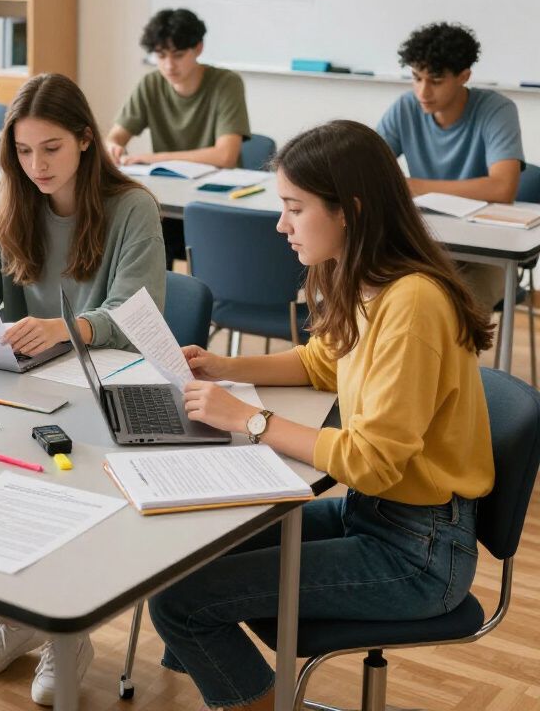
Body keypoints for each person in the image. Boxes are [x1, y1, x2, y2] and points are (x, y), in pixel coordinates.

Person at [147, 120, 494, 711]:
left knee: (180, 602)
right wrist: (224, 366)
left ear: (349, 211)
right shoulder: (369, 279)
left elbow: (374, 462)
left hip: (420, 554)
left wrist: (250, 420)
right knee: (194, 552)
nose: (280, 225)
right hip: (378, 517)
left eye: (294, 208)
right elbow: (322, 361)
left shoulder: (411, 303)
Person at [0, 72, 165, 706]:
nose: (37, 165)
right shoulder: (10, 203)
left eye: (51, 148)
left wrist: (64, 327)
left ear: (85, 140)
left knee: (65, 480)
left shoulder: (132, 207)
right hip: (34, 385)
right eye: (23, 151)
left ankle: (67, 634)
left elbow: (136, 313)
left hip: (110, 388)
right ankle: (16, 616)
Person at [377, 21, 524, 312]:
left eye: (435, 81)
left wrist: (416, 187)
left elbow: (502, 188)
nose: (423, 91)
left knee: (453, 312)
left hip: (488, 253)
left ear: (463, 76)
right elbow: (368, 164)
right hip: (424, 243)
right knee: (385, 299)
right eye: (416, 78)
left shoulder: (497, 110)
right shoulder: (405, 108)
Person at [105, 8, 250, 268]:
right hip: (168, 203)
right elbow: (115, 136)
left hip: (214, 203)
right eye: (161, 56)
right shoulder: (151, 84)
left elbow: (226, 156)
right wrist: (114, 146)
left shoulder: (226, 83)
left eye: (178, 55)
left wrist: (153, 158)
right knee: (135, 230)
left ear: (198, 48)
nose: (169, 65)